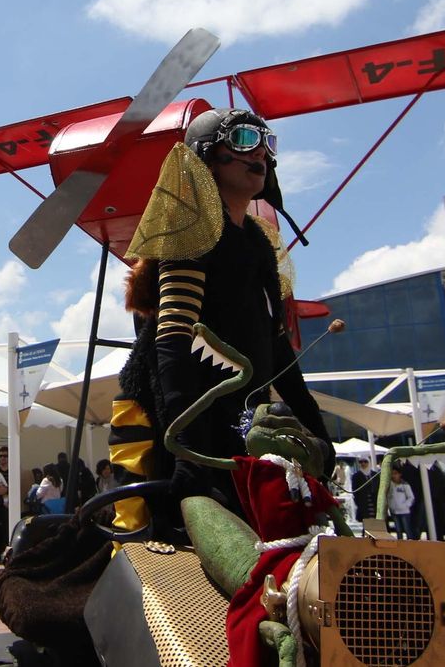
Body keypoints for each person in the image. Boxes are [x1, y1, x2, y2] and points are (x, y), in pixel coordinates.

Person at [112, 108, 328, 527]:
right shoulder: (192, 230)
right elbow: (174, 340)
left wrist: (317, 433)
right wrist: (187, 450)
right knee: (173, 540)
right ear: (207, 157)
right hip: (173, 420)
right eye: (245, 139)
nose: (261, 152)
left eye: (268, 142)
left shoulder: (259, 242)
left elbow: (277, 348)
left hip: (243, 423)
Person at [388, 467, 417, 540]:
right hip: (394, 511)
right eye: (392, 474)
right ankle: (400, 545)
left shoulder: (405, 485)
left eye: (395, 474)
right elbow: (388, 497)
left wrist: (405, 505)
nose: (393, 476)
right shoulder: (390, 485)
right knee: (398, 530)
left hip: (404, 511)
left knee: (407, 530)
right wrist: (390, 506)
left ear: (400, 474)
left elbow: (411, 497)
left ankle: (410, 544)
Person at [351, 457, 378, 522]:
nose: (363, 463)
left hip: (374, 501)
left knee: (377, 520)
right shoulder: (356, 476)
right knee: (367, 521)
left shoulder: (374, 474)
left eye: (365, 461)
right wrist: (358, 502)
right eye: (361, 462)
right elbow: (354, 490)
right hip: (363, 503)